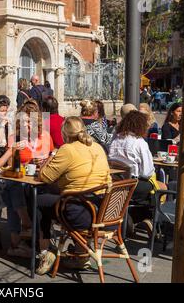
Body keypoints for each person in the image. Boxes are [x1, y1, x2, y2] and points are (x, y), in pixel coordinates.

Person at [35, 117, 112, 274]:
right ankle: (80, 254)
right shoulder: (97, 147)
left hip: (81, 214)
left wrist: (51, 156)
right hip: (106, 213)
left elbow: (45, 177)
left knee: (37, 198)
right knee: (58, 196)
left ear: (65, 133)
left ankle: (46, 250)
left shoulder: (67, 149)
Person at [3, 99, 54, 258]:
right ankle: (26, 224)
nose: (26, 125)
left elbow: (54, 157)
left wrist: (45, 159)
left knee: (12, 195)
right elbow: (9, 166)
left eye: (30, 121)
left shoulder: (45, 136)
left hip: (40, 182)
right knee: (13, 186)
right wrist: (16, 153)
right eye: (23, 121)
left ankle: (17, 243)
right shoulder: (14, 138)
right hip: (21, 181)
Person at [109, 110, 166, 208]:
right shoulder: (140, 143)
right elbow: (146, 173)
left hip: (116, 183)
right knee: (162, 186)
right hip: (133, 184)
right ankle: (152, 217)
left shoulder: (115, 140)